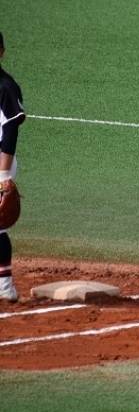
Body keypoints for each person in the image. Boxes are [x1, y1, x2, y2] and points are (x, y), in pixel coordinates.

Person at [0, 31, 26, 302]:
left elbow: (10, 131)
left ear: (1, 52)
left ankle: (5, 285)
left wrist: (4, 174)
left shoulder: (6, 87)